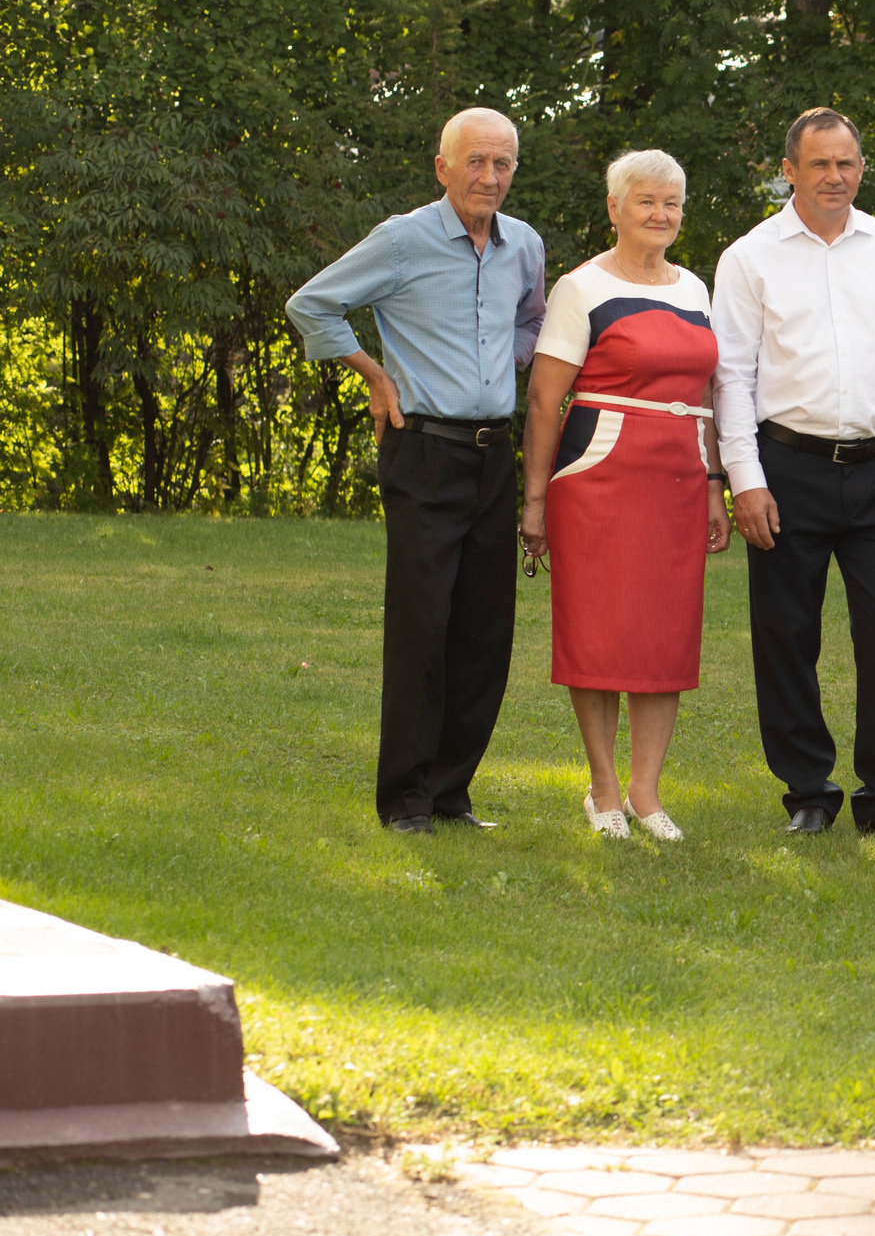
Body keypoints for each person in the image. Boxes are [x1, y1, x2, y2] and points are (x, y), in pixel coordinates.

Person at [286, 108, 545, 833]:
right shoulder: (403, 239)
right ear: (443, 167)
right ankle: (405, 799)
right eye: (475, 162)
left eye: (502, 164)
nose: (489, 176)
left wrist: (505, 361)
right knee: (422, 628)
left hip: (498, 454)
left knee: (485, 632)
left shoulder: (523, 244)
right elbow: (312, 304)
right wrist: (374, 373)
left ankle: (452, 793)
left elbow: (531, 320)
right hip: (424, 448)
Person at [710, 108, 875, 838]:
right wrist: (744, 479)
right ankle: (807, 790)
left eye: (846, 162)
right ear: (789, 170)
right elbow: (731, 377)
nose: (834, 176)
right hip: (786, 467)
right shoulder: (750, 257)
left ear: (861, 167)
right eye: (818, 164)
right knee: (785, 633)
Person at [519, 150, 727, 842]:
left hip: (678, 478)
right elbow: (547, 400)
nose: (661, 214)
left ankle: (646, 790)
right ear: (614, 208)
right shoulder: (581, 288)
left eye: (672, 202)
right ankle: (602, 786)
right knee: (601, 631)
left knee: (665, 637)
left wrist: (715, 486)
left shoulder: (696, 289)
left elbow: (707, 396)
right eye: (646, 201)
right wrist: (535, 502)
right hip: (599, 475)